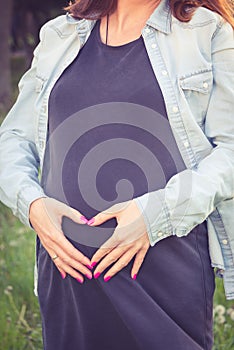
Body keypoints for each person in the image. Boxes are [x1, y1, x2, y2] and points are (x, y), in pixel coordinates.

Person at [0, 0, 234, 349]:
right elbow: (13, 139)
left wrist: (155, 215)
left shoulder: (208, 32)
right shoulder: (60, 34)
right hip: (67, 276)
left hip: (163, 274)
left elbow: (230, 152)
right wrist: (33, 206)